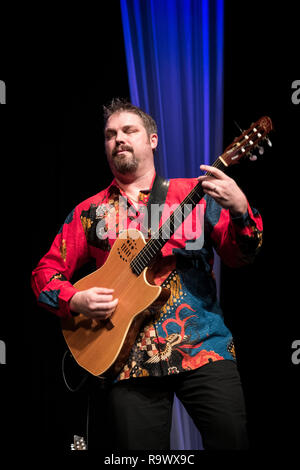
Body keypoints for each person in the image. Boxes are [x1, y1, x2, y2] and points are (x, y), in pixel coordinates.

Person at [31, 98, 263, 450]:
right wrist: (75, 299)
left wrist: (243, 210)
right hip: (126, 361)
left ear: (152, 140)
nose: (118, 139)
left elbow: (241, 256)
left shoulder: (195, 195)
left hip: (202, 347)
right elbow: (44, 273)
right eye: (110, 134)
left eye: (129, 130)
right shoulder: (89, 212)